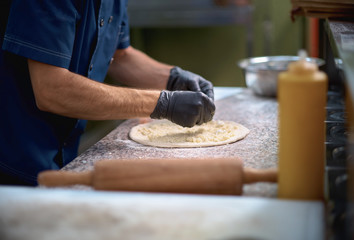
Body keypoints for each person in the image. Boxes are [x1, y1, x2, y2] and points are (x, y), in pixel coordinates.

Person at [0, 0, 215, 186]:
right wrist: (161, 103)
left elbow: (120, 56)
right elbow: (51, 89)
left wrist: (174, 78)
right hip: (15, 162)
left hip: (63, 155)